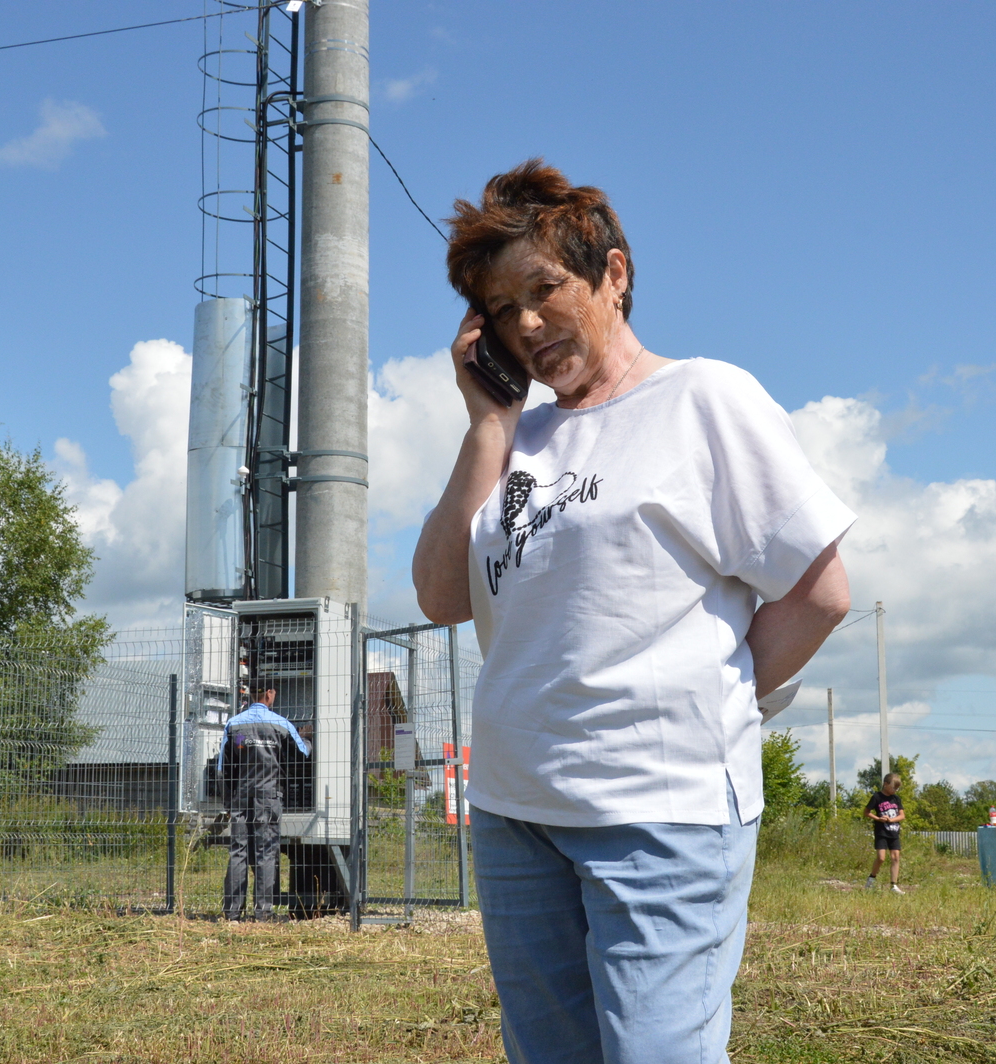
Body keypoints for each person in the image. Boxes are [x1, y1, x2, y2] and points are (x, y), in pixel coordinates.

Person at [412, 160, 855, 1064]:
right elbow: (440, 593)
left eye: (545, 289)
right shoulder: (515, 439)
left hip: (662, 809)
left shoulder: (703, 399)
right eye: (500, 310)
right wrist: (488, 427)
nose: (526, 324)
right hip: (516, 808)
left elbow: (819, 591)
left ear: (613, 274)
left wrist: (720, 694)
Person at [218, 687, 310, 920]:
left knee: (238, 852)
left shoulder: (235, 725)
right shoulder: (281, 725)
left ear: (251, 695)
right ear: (269, 694)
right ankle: (263, 913)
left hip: (241, 796)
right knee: (265, 852)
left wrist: (229, 802)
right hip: (268, 796)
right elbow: (301, 755)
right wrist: (307, 738)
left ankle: (233, 914)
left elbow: (225, 766)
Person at [864, 773, 906, 894]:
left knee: (895, 857)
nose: (895, 790)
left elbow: (902, 815)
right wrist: (878, 819)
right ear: (885, 784)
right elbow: (866, 812)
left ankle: (894, 885)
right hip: (881, 831)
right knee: (881, 858)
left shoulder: (896, 799)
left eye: (897, 788)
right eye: (893, 787)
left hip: (894, 831)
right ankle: (871, 879)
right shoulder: (877, 797)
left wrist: (891, 820)